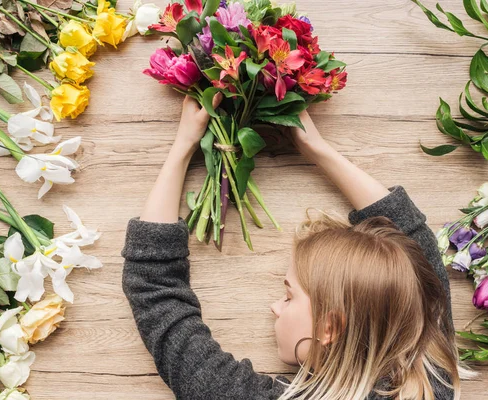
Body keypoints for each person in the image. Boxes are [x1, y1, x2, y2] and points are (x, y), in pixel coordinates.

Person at [121, 94, 469, 399]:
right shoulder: (430, 380)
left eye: (289, 296)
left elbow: (155, 291)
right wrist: (315, 147)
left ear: (329, 328)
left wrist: (183, 146)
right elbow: (416, 250)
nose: (275, 307)